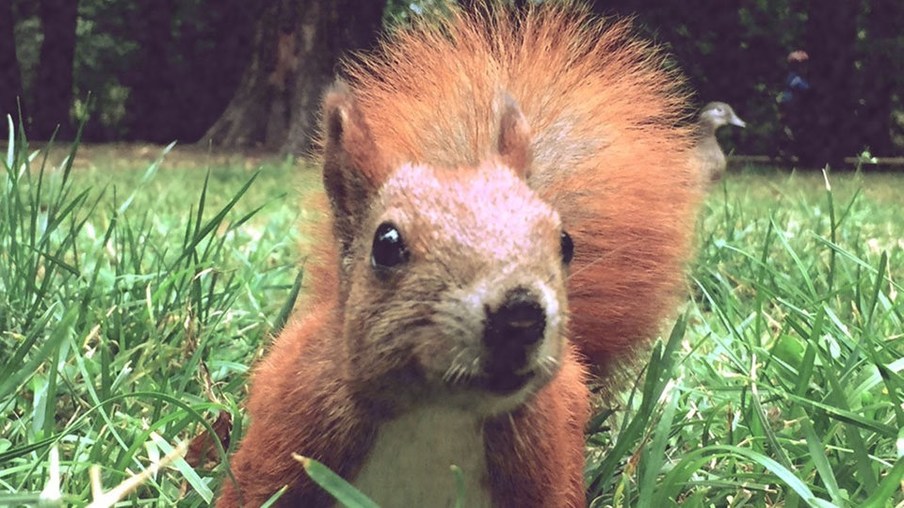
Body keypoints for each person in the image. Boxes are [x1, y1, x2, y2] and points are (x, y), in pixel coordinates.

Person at [777, 50, 813, 165]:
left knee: (795, 129)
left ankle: (791, 151)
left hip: (794, 106)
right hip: (790, 107)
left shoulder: (796, 77)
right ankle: (786, 152)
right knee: (792, 129)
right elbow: (804, 88)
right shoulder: (794, 78)